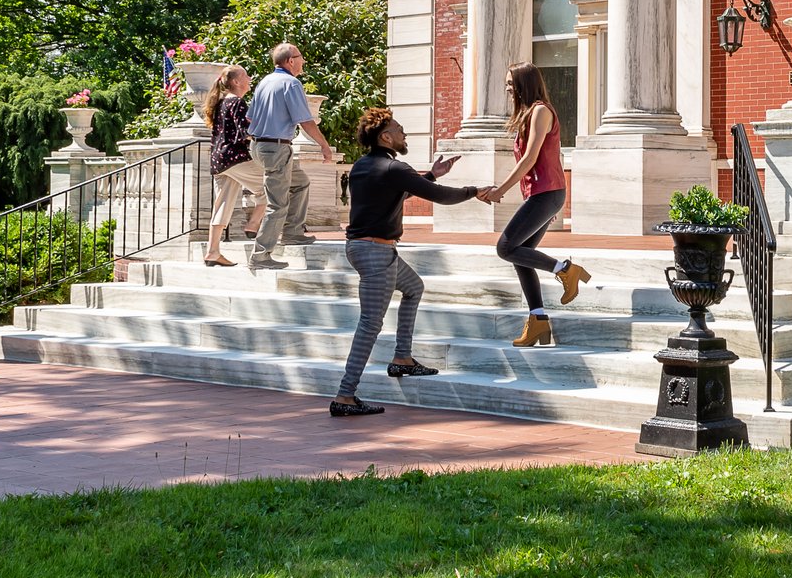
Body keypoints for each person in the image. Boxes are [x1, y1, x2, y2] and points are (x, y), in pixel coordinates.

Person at [330, 108, 479, 418]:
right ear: (385, 137)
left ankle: (403, 359)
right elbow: (438, 196)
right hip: (375, 252)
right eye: (398, 129)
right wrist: (475, 192)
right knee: (370, 323)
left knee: (413, 287)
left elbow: (396, 192)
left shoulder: (363, 166)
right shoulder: (394, 167)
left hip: (363, 248)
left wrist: (431, 175)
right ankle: (345, 395)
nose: (404, 133)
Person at [475, 61, 591, 347]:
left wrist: (500, 189)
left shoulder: (540, 111)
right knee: (520, 253)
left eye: (511, 82)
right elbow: (550, 158)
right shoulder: (528, 114)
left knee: (505, 247)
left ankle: (565, 269)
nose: (507, 87)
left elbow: (530, 158)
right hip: (543, 195)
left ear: (525, 83)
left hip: (546, 193)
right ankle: (538, 320)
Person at [246, 42, 335, 270]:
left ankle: (293, 232)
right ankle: (261, 254)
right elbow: (305, 121)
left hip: (260, 146)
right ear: (290, 61)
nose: (303, 60)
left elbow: (250, 118)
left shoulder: (264, 82)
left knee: (301, 182)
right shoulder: (291, 83)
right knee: (277, 205)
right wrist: (324, 145)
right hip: (276, 148)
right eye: (300, 56)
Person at [200, 65, 267, 266]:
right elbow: (246, 131)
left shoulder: (221, 102)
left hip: (220, 161)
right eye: (246, 75)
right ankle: (253, 224)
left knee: (222, 204)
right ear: (236, 82)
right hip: (235, 158)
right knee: (272, 185)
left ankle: (212, 251)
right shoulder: (237, 102)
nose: (249, 78)